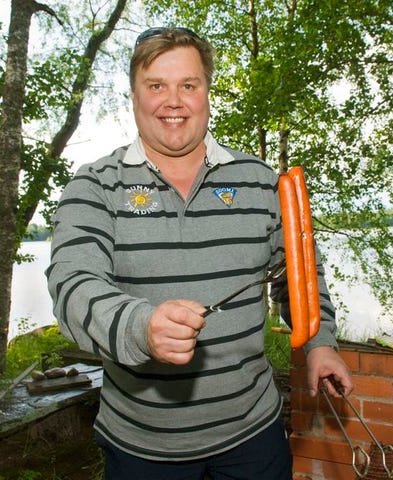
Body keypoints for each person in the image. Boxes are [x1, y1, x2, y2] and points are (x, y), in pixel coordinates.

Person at [46, 27, 353, 480]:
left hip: (255, 436)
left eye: (188, 85)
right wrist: (141, 327)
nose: (173, 102)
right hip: (142, 449)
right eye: (156, 86)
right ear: (134, 96)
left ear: (207, 92)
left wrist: (319, 342)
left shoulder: (259, 180)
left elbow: (300, 272)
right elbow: (72, 286)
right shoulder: (94, 185)